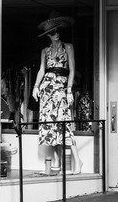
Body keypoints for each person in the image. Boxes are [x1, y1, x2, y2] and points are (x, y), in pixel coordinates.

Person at [31, 11, 82, 174]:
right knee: (49, 126)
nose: (56, 34)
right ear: (48, 35)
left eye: (58, 31)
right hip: (47, 90)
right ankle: (57, 162)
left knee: (65, 124)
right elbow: (41, 70)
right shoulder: (45, 51)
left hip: (61, 89)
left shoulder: (68, 47)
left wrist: (69, 90)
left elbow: (72, 70)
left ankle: (78, 161)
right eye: (53, 32)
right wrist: (35, 86)